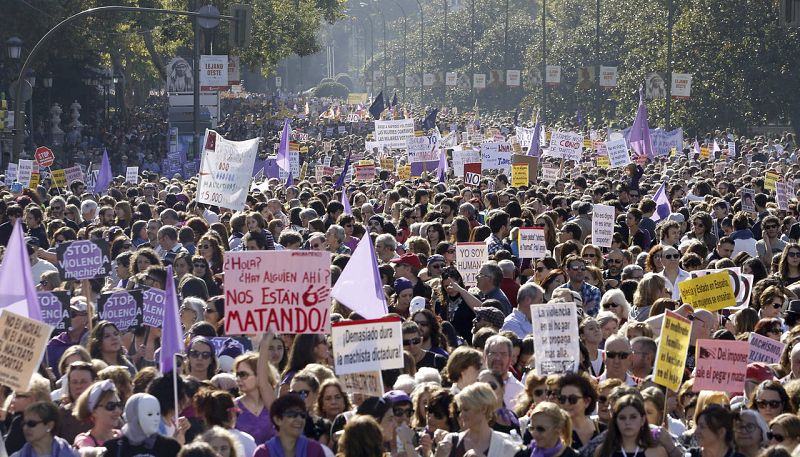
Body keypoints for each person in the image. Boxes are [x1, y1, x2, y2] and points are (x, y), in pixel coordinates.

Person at [434, 383, 521, 457]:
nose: (461, 415)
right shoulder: (451, 441)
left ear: (483, 409)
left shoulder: (506, 445)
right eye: (460, 410)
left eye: (466, 410)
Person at [103, 393, 182, 457]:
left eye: (157, 413)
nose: (155, 418)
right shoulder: (112, 449)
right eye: (150, 414)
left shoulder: (170, 447)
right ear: (133, 415)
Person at [594, 395, 667, 457]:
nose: (627, 422)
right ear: (615, 421)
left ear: (643, 420)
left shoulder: (657, 453)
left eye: (633, 417)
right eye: (622, 418)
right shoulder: (602, 451)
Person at [10, 401, 78, 457]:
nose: (25, 428)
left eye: (31, 423)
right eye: (23, 424)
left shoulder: (72, 454)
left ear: (49, 425)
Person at [72, 380, 123, 448]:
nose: (118, 411)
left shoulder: (122, 436)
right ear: (94, 411)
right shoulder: (84, 442)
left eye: (119, 405)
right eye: (110, 406)